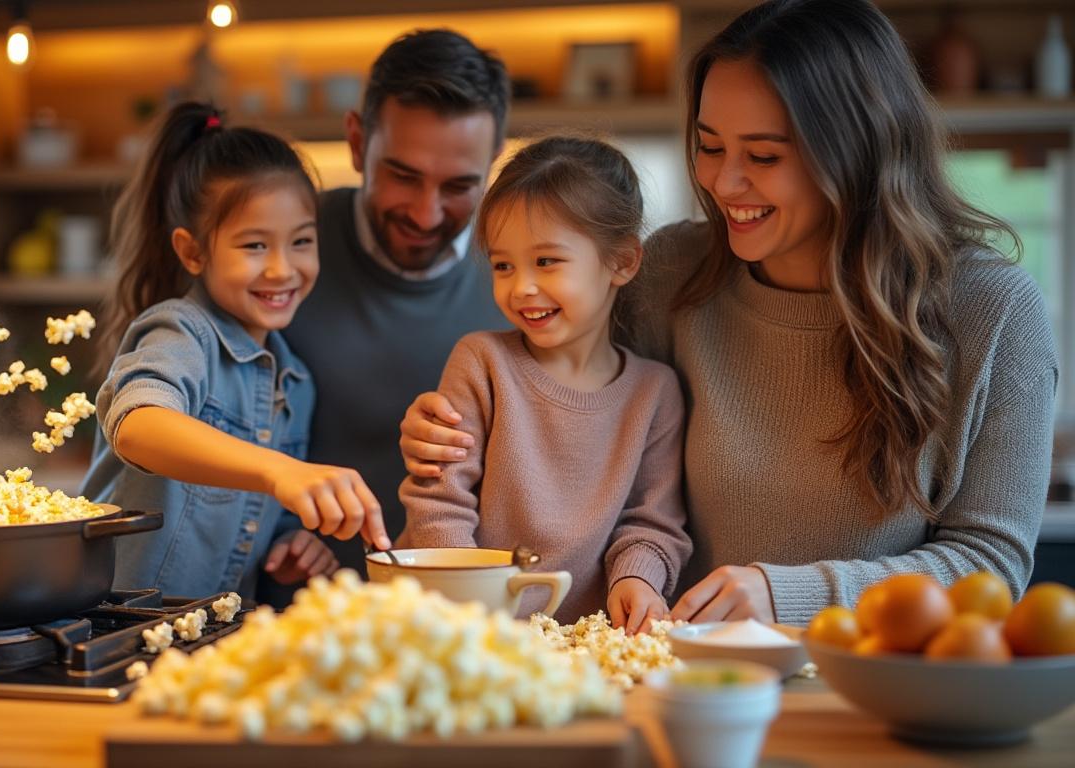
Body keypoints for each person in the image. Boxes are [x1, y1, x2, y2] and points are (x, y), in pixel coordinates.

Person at [398, 0, 1058, 627]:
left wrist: (785, 595)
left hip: (866, 689)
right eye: (710, 146)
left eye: (763, 156)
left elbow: (989, 569)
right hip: (685, 685)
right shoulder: (670, 273)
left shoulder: (992, 312)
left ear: (860, 150)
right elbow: (563, 406)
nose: (723, 183)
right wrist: (457, 432)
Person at [81, 102, 390, 602]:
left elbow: (256, 512)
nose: (281, 269)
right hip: (108, 628)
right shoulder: (181, 332)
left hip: (208, 640)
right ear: (193, 251)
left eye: (301, 242)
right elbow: (138, 423)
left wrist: (291, 543)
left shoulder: (295, 384)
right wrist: (278, 470)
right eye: (254, 246)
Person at [397, 137, 692, 630]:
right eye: (503, 265)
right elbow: (438, 503)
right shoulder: (481, 362)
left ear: (622, 262)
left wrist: (635, 581)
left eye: (547, 261)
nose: (521, 287)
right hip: (458, 629)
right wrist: (472, 612)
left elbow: (652, 522)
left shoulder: (654, 394)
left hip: (580, 645)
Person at [282, 29, 511, 574]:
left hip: (461, 622)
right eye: (403, 176)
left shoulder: (529, 275)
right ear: (358, 142)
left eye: (458, 185)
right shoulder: (278, 251)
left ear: (495, 157)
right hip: (290, 616)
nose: (427, 214)